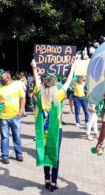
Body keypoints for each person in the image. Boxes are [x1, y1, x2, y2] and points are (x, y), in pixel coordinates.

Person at [31, 59, 76, 192]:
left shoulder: (39, 93)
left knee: (45, 153)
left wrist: (34, 67)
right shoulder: (59, 94)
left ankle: (46, 179)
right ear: (55, 84)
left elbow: (36, 80)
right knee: (54, 154)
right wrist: (73, 67)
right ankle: (54, 181)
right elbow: (68, 81)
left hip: (42, 128)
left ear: (44, 84)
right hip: (56, 129)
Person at [0, 71, 26, 164]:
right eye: (0, 79)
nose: (1, 80)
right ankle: (5, 156)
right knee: (4, 137)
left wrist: (21, 110)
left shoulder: (17, 86)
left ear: (9, 78)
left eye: (3, 79)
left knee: (17, 136)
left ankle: (19, 154)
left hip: (15, 116)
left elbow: (23, 98)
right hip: (3, 117)